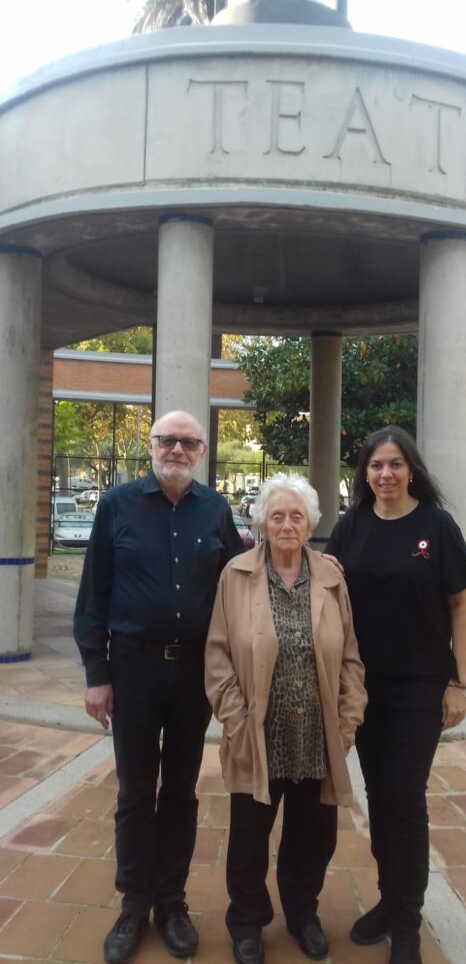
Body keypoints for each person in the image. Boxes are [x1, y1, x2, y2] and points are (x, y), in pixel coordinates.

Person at [74, 410, 244, 964]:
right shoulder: (116, 505)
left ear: (201, 452)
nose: (177, 450)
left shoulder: (215, 509)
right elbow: (93, 595)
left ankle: (172, 902)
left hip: (194, 673)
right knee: (134, 790)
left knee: (180, 791)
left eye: (188, 443)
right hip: (133, 670)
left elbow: (242, 579)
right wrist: (97, 675)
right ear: (151, 445)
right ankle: (134, 904)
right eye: (167, 440)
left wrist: (308, 563)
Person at [326, 425, 466, 964]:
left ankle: (407, 922)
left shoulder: (436, 525)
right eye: (375, 466)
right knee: (380, 799)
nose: (385, 474)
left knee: (405, 798)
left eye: (394, 464)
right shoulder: (350, 527)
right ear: (364, 474)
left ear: (411, 470)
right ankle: (391, 901)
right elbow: (326, 594)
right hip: (363, 688)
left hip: (420, 686)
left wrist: (457, 683)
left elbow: (461, 606)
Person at [205, 473, 367, 964]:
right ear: (262, 522)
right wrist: (235, 720)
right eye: (277, 516)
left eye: (297, 516)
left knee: (313, 836)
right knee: (249, 838)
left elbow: (351, 658)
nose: (287, 524)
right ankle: (247, 921)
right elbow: (217, 656)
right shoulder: (235, 575)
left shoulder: (331, 578)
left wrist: (346, 722)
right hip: (256, 734)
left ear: (310, 523)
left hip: (317, 735)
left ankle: (302, 914)